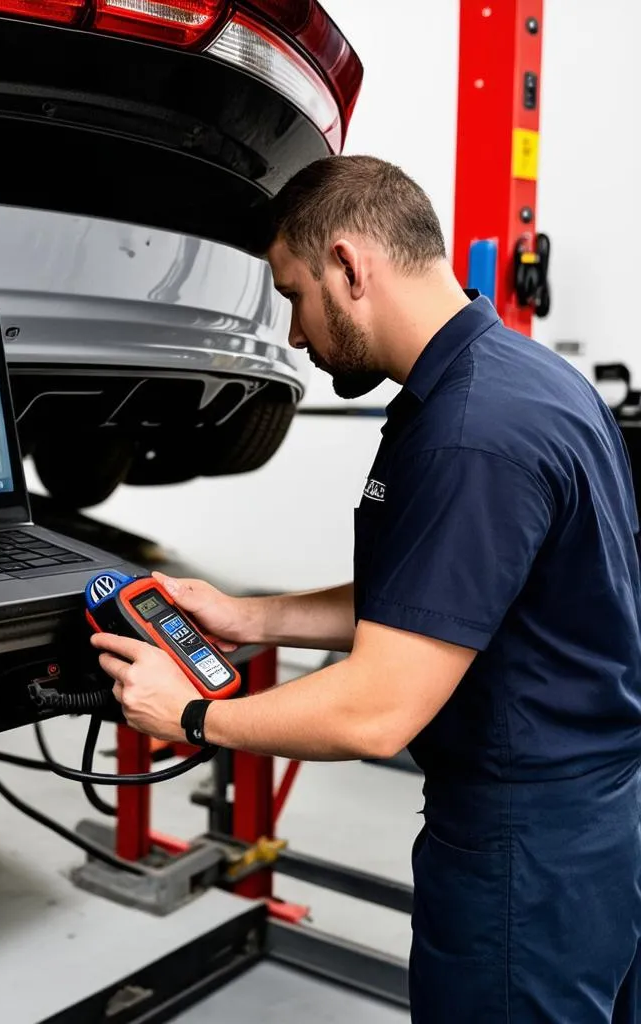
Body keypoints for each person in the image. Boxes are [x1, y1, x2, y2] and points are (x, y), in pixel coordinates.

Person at [90, 154, 641, 1022]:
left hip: (521, 850)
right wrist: (246, 616)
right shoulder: (531, 383)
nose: (297, 333)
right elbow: (440, 596)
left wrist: (190, 715)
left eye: (294, 294)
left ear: (350, 267)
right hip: (598, 826)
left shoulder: (470, 433)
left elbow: (375, 711)